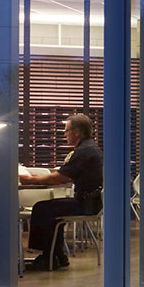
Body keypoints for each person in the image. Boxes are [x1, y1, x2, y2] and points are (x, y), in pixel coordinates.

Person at [19, 113, 103, 271]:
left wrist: (30, 180)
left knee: (42, 209)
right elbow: (66, 175)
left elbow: (60, 178)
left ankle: (47, 257)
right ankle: (57, 255)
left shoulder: (84, 151)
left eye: (66, 130)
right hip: (91, 202)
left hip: (85, 204)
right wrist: (41, 178)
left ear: (76, 132)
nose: (64, 134)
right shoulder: (89, 148)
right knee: (51, 210)